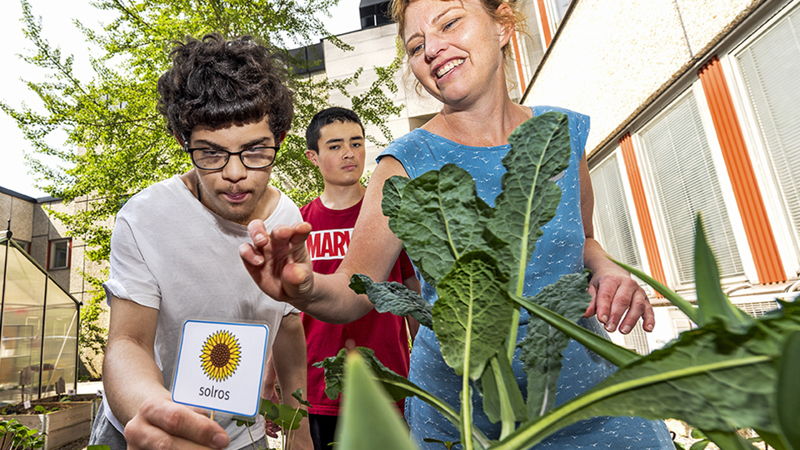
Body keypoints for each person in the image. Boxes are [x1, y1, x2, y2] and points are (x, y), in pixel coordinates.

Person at [238, 0, 673, 447]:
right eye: (415, 45)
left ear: (503, 24)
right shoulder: (403, 165)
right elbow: (355, 288)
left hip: (587, 403)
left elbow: (582, 239)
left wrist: (604, 268)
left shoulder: (560, 135)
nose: (432, 49)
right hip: (464, 417)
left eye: (450, 23)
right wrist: (304, 288)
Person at [89, 33, 312, 450]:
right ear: (183, 143)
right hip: (138, 427)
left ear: (278, 140)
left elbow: (287, 325)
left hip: (244, 436)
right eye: (211, 153)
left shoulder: (288, 221)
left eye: (255, 151)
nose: (234, 173)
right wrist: (159, 414)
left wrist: (299, 429)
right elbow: (128, 341)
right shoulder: (143, 218)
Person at [299, 106, 420, 449]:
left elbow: (415, 298)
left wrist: (431, 367)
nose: (349, 153)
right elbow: (285, 313)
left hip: (390, 381)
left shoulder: (391, 217)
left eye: (356, 142)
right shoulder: (299, 224)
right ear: (313, 156)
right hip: (320, 390)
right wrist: (272, 379)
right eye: (335, 146)